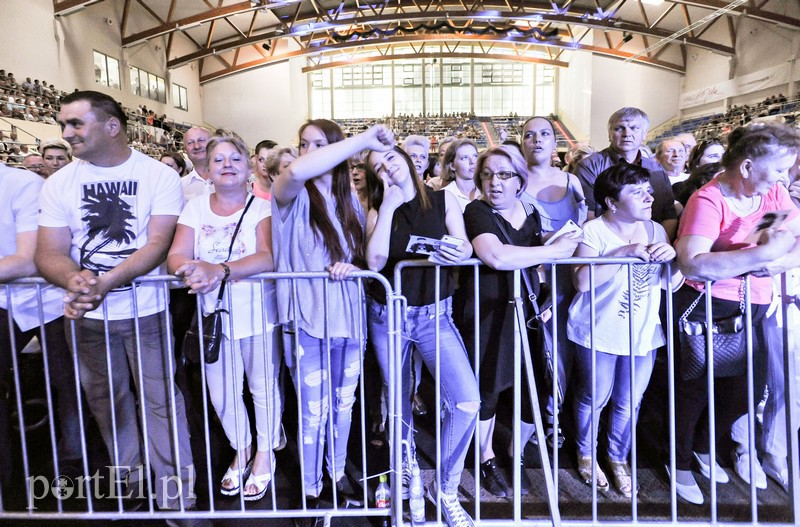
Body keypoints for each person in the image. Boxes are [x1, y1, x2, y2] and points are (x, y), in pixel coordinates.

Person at [33, 90, 197, 513]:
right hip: (87, 319)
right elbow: (48, 250)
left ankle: (177, 491)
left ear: (112, 126)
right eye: (64, 124)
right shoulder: (60, 182)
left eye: (75, 123)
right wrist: (75, 278)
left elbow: (159, 243)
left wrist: (104, 281)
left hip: (146, 312)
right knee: (108, 402)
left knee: (162, 402)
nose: (66, 133)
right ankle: (130, 479)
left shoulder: (156, 176)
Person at [272, 120, 393, 526]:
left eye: (319, 144)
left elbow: (366, 259)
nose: (308, 151)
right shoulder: (291, 195)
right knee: (312, 411)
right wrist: (363, 140)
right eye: (303, 143)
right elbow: (294, 171)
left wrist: (352, 267)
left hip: (348, 319)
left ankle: (336, 473)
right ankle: (310, 488)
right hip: (308, 320)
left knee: (344, 407)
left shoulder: (351, 202)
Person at [672, 123, 800, 504]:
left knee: (742, 394)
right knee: (693, 392)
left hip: (756, 303)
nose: (785, 178)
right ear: (746, 167)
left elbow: (787, 234)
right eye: (779, 169)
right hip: (710, 307)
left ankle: (703, 447)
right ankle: (677, 462)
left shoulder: (771, 193)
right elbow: (693, 262)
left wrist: (779, 260)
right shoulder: (708, 200)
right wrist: (760, 256)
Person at [366, 143, 479, 527]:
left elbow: (462, 243)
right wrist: (388, 206)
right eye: (378, 167)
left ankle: (445, 488)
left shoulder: (443, 199)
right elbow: (376, 260)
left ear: (410, 162)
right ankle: (407, 474)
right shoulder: (377, 209)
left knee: (466, 402)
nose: (388, 169)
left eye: (391, 160)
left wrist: (459, 253)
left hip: (435, 314)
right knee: (397, 402)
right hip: (390, 315)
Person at [461, 145, 581, 497]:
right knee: (489, 389)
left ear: (519, 180)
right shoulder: (476, 211)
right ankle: (486, 458)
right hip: (488, 312)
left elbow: (536, 266)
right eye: (487, 174)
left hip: (528, 312)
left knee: (535, 388)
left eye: (503, 175)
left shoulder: (529, 211)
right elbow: (495, 255)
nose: (494, 182)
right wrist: (551, 251)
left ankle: (517, 452)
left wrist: (548, 262)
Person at [167, 135, 278, 502]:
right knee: (223, 393)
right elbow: (177, 256)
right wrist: (190, 272)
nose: (227, 164)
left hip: (258, 314)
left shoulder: (261, 208)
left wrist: (219, 269)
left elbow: (266, 257)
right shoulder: (195, 208)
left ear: (248, 167)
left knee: (263, 388)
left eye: (235, 158)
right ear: (208, 170)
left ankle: (265, 453)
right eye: (218, 160)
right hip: (214, 316)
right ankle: (241, 448)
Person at [568, 163, 682, 498]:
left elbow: (670, 285)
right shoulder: (593, 231)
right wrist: (623, 253)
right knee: (593, 397)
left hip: (644, 333)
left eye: (648, 189)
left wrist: (672, 260)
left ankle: (617, 458)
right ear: (611, 202)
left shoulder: (656, 230)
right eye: (637, 191)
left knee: (629, 401)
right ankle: (586, 453)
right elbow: (582, 282)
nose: (649, 197)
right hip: (597, 330)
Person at [0, 163, 81, 509]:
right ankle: (7, 474)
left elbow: (29, 260)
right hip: (4, 299)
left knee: (67, 379)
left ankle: (74, 456)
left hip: (47, 299)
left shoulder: (23, 184)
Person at [519, 115, 587, 449]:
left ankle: (563, 414)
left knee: (570, 350)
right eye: (529, 135)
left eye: (544, 133)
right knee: (547, 354)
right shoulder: (514, 181)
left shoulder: (572, 182)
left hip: (572, 278)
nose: (537, 140)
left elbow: (585, 227)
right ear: (522, 142)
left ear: (554, 140)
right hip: (536, 280)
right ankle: (548, 419)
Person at [574, 107, 677, 240]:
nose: (627, 134)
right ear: (609, 134)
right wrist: (623, 246)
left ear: (645, 133)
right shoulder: (589, 166)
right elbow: (587, 214)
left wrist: (657, 243)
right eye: (619, 128)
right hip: (606, 246)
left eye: (634, 128)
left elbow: (669, 215)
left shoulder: (656, 169)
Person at [441, 138, 480, 212]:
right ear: (452, 166)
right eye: (464, 158)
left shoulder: (487, 191)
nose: (472, 162)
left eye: (475, 156)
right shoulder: (443, 196)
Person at [182, 126, 214, 200]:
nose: (196, 146)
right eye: (190, 142)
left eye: (201, 140)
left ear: (213, 144)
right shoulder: (180, 186)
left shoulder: (231, 179)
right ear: (185, 149)